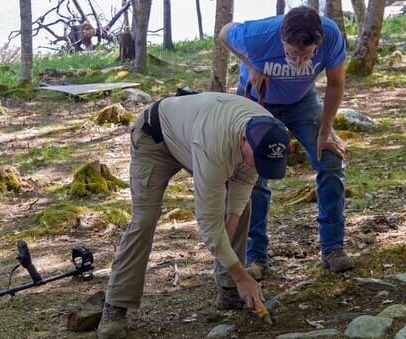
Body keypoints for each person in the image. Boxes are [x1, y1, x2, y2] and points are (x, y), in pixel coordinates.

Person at [98, 92, 290, 338]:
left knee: (241, 210)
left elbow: (242, 187)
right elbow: (209, 225)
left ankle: (231, 289)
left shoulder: (266, 133)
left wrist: (230, 229)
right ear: (243, 139)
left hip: (192, 135)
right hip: (154, 138)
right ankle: (116, 303)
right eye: (259, 161)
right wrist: (244, 276)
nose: (259, 167)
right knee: (144, 220)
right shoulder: (215, 144)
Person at [218, 6, 354, 279]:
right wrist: (251, 65)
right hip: (257, 100)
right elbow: (223, 34)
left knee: (330, 160)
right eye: (292, 53)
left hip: (301, 102)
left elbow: (336, 83)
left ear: (318, 43)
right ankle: (255, 255)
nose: (299, 59)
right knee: (252, 175)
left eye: (306, 54)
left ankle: (333, 248)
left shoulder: (331, 34)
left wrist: (325, 130)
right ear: (282, 39)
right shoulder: (257, 35)